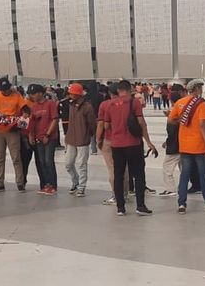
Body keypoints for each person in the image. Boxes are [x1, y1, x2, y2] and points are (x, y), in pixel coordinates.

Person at [96, 79, 156, 216]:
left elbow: (105, 126)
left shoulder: (109, 104)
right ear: (130, 89)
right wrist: (148, 142)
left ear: (118, 91)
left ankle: (120, 208)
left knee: (118, 175)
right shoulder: (134, 102)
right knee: (139, 175)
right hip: (133, 144)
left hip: (116, 144)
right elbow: (141, 123)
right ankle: (140, 206)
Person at [172, 80, 205, 213]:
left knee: (184, 175)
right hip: (198, 145)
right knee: (203, 174)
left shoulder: (180, 102)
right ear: (196, 88)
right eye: (200, 87)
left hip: (184, 145)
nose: (201, 90)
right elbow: (202, 125)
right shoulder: (201, 103)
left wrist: (181, 122)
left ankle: (181, 204)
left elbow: (171, 119)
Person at [0, 77, 31, 191]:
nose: (5, 92)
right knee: (0, 157)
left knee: (16, 157)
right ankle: (0, 183)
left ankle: (20, 183)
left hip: (12, 130)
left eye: (7, 89)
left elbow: (27, 110)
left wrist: (22, 124)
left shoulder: (17, 96)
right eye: (3, 90)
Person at [62, 83, 95, 196]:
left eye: (72, 94)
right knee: (68, 163)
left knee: (82, 164)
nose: (70, 95)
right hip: (71, 139)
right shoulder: (71, 105)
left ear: (78, 95)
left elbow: (92, 124)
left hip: (82, 140)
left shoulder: (87, 107)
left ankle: (82, 186)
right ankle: (75, 181)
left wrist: (88, 134)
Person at [27, 84, 60, 195]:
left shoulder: (50, 104)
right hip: (38, 137)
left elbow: (54, 120)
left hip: (49, 138)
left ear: (41, 93)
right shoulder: (34, 106)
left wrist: (47, 134)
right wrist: (31, 135)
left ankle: (53, 185)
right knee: (41, 162)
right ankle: (45, 184)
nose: (32, 96)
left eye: (34, 94)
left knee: (48, 160)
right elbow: (32, 122)